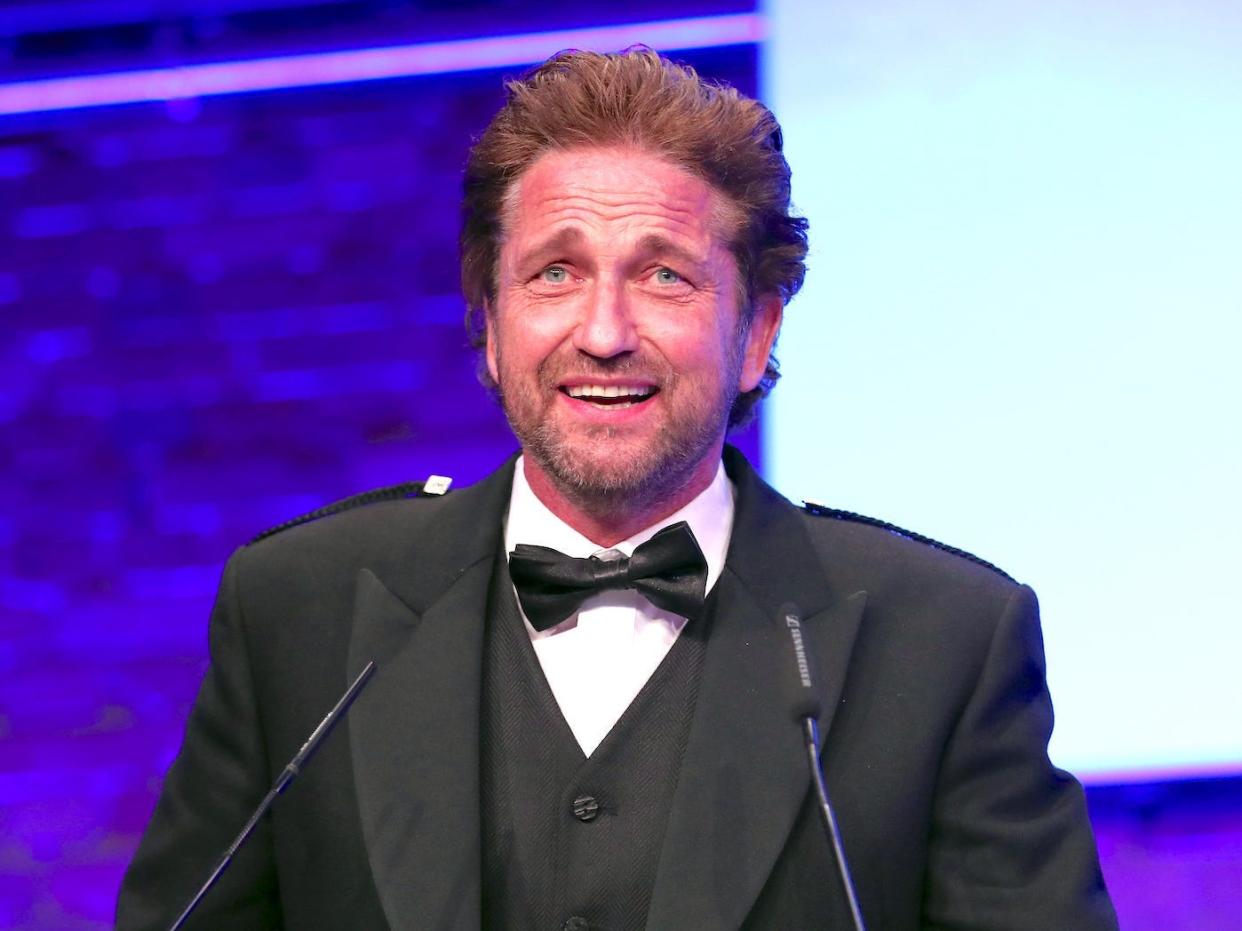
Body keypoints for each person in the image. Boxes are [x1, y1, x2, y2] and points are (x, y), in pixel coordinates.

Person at [117, 48, 1117, 930]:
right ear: (491, 324)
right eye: (554, 274)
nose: (603, 330)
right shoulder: (302, 609)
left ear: (757, 331)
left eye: (665, 278)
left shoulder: (943, 640)